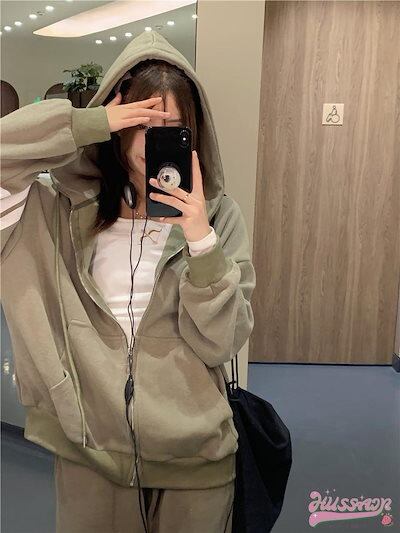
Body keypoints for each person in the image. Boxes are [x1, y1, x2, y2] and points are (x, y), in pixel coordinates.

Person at [0, 30, 256, 532]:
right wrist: (87, 122)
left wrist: (200, 242)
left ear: (194, 135)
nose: (150, 143)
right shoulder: (56, 211)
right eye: (141, 124)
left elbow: (222, 342)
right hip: (91, 454)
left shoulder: (219, 218)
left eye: (171, 130)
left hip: (195, 461)